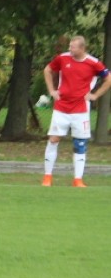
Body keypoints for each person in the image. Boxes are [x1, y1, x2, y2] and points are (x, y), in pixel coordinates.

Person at [42, 35, 111, 187]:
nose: (70, 49)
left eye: (73, 47)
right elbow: (47, 70)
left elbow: (108, 79)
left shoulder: (93, 63)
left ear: (82, 48)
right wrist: (52, 90)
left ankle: (77, 179)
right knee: (54, 139)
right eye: (70, 46)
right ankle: (47, 177)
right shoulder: (62, 58)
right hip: (61, 108)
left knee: (80, 143)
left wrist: (95, 95)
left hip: (80, 110)